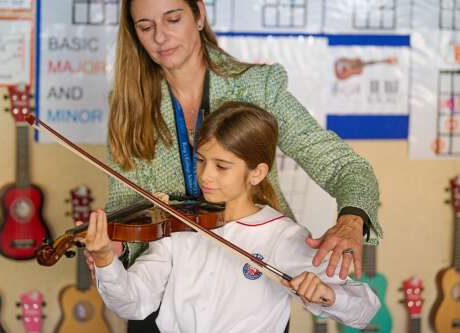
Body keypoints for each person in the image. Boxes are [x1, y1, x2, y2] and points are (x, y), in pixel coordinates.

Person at [101, 0, 382, 330]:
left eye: (173, 19)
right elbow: (123, 205)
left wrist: (352, 219)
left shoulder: (256, 87)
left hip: (251, 294)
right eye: (146, 27)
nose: (161, 37)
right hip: (162, 298)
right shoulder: (129, 106)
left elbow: (342, 166)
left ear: (199, 15)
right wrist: (112, 254)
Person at [83, 102, 380, 332]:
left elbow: (365, 310)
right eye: (200, 160)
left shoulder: (282, 236)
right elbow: (134, 304)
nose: (205, 175)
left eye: (222, 166)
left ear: (257, 173)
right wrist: (106, 262)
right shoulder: (178, 226)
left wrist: (328, 295)